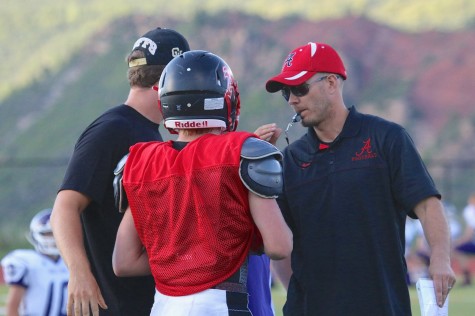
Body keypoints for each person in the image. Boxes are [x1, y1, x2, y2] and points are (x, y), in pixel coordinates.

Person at [265, 41, 456, 315]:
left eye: (300, 88)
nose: (293, 99)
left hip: (382, 305)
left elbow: (427, 204)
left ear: (331, 83)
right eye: (287, 93)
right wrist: (259, 164)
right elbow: (280, 241)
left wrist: (440, 258)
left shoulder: (386, 138)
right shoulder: (290, 160)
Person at [112, 50, 293, 315]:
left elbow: (123, 262)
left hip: (164, 306)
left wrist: (181, 259)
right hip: (221, 303)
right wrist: (207, 256)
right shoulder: (244, 152)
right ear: (223, 100)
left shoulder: (140, 161)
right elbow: (279, 247)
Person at [50, 27, 190, 316]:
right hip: (113, 305)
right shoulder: (113, 129)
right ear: (169, 79)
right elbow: (64, 208)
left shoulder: (148, 132)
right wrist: (79, 274)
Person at [1, 208, 69, 316]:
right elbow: (13, 305)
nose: (53, 238)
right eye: (48, 233)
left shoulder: (72, 263)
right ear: (35, 235)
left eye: (56, 232)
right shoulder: (26, 262)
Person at [453, 192, 475, 286]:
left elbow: (470, 231)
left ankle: (467, 278)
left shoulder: (470, 211)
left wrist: (459, 241)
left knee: (456, 250)